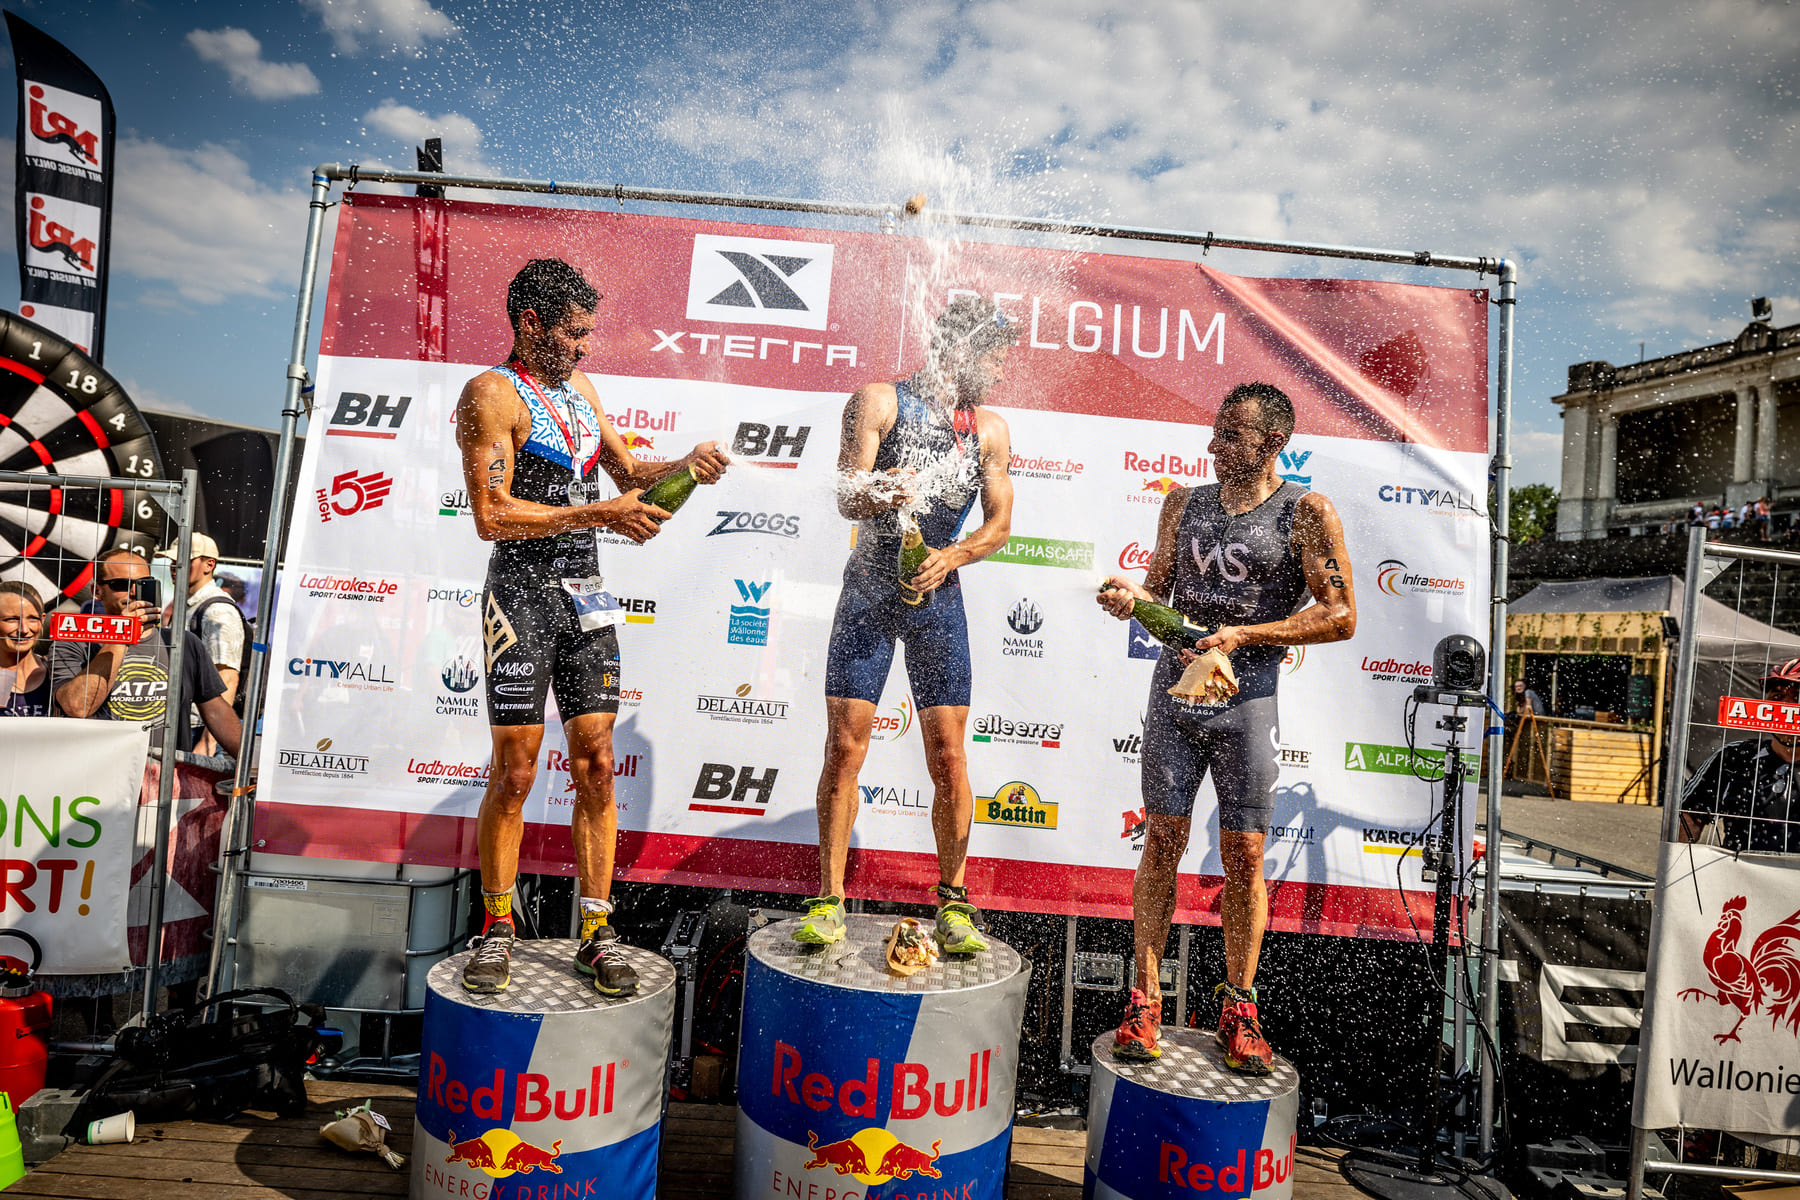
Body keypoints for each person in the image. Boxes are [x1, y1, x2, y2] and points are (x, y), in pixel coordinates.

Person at [456, 258, 729, 996]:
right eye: (574, 333)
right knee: (515, 771)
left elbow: (628, 476)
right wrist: (598, 515)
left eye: (589, 334)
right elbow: (493, 515)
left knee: (598, 765)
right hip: (519, 595)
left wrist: (686, 466)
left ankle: (595, 930)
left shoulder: (581, 391)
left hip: (585, 595)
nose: (585, 347)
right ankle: (498, 926)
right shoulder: (491, 394)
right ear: (532, 323)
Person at [1096, 382, 1357, 1074]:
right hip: (1176, 697)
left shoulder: (1306, 513)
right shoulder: (1183, 503)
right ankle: (1144, 999)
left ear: (1274, 443)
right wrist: (1132, 599)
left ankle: (1240, 1007)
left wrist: (1246, 634)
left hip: (1247, 702)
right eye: (1214, 431)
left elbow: (1340, 614)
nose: (1213, 445)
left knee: (1243, 854)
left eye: (1231, 436)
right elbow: (1158, 586)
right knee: (1164, 840)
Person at [795, 295, 1018, 954]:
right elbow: (845, 493)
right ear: (963, 350)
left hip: (936, 599)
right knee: (845, 748)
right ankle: (829, 898)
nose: (1001, 372)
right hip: (869, 590)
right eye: (995, 357)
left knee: (949, 758)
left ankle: (952, 901)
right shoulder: (880, 401)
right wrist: (880, 493)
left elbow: (1000, 524)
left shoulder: (991, 429)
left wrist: (953, 555)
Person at [51, 548, 241, 756]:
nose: (133, 592)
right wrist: (123, 632)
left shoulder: (182, 643)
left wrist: (247, 763)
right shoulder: (73, 641)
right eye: (121, 585)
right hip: (99, 773)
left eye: (143, 584)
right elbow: (78, 707)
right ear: (96, 591)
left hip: (165, 777)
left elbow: (216, 711)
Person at [1679, 659, 1800, 854]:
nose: (1786, 707)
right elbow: (1689, 815)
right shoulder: (1735, 757)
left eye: (1797, 697)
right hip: (1739, 878)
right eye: (1778, 696)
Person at [158, 532, 248, 752]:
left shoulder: (218, 611)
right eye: (172, 560)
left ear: (209, 565)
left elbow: (227, 678)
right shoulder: (189, 605)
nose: (174, 565)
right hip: (185, 723)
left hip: (202, 730)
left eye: (184, 561)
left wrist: (207, 743)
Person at [0, 581, 51, 717]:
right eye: (11, 619)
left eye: (33, 619)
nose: (24, 629)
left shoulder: (56, 675)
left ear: (43, 620)